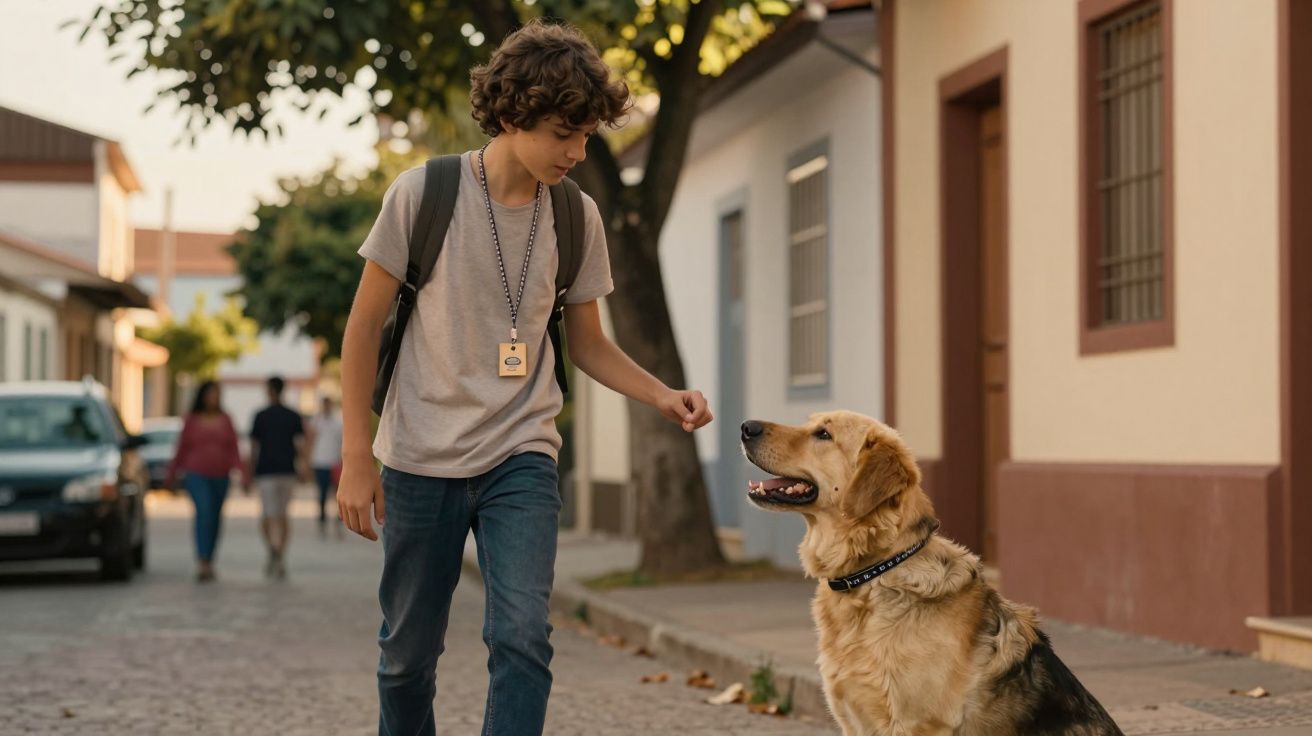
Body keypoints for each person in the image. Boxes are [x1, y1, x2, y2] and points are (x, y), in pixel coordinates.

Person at [336, 18, 713, 736]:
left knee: (522, 636)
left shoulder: (576, 215)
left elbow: (590, 345)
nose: (577, 151)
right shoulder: (423, 195)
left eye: (585, 135)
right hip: (420, 456)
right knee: (407, 657)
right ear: (511, 116)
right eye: (562, 134)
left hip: (522, 454)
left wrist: (661, 393)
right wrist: (359, 454)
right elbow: (361, 330)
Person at [165, 380, 249, 582]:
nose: (214, 397)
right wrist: (172, 473)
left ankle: (210, 559)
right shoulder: (192, 420)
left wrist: (242, 472)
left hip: (221, 476)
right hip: (196, 474)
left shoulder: (226, 419)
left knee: (215, 517)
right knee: (204, 513)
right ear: (202, 396)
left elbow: (234, 448)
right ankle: (202, 560)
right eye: (211, 393)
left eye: (217, 394)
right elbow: (181, 448)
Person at [249, 375, 308, 579]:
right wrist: (304, 467)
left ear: (269, 390)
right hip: (286, 470)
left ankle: (275, 551)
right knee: (281, 515)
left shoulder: (260, 416)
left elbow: (254, 448)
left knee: (269, 515)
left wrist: (248, 473)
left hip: (267, 472)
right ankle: (278, 553)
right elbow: (301, 445)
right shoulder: (292, 415)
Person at [308, 395, 344, 537]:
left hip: (335, 462)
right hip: (320, 462)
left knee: (338, 496)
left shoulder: (338, 422)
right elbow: (310, 441)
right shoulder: (316, 421)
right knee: (322, 494)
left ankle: (339, 523)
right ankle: (322, 523)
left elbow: (343, 442)